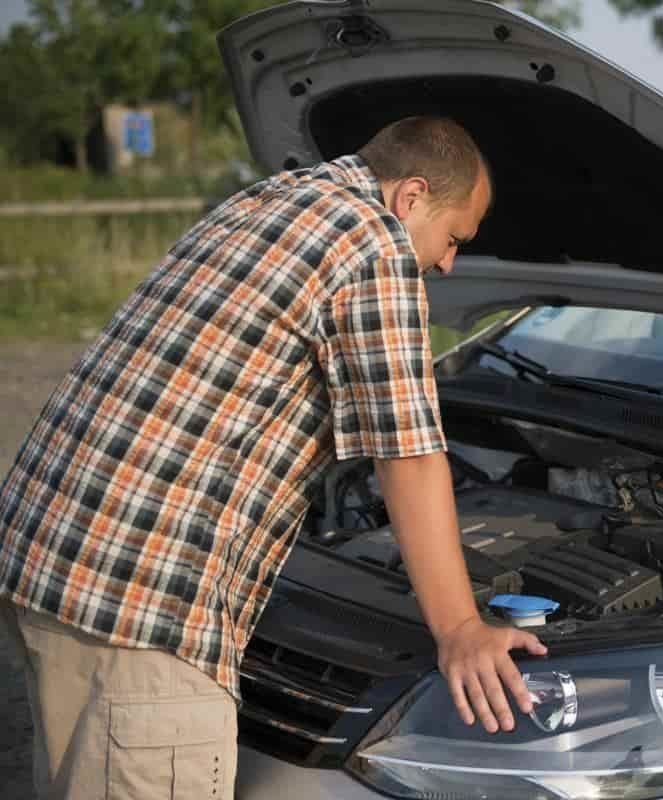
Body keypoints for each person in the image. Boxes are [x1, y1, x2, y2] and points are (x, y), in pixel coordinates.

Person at [0, 116, 545, 799]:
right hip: (144, 608)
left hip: (50, 562)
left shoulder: (272, 198)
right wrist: (462, 628)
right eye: (454, 237)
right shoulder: (371, 243)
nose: (446, 263)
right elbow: (406, 454)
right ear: (410, 198)